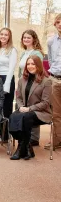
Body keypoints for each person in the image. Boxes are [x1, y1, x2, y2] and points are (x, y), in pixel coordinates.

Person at [9, 55, 51, 160]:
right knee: (13, 117)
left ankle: (20, 148)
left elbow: (45, 103)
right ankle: (27, 147)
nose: (30, 66)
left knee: (25, 118)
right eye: (28, 64)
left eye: (33, 64)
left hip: (40, 112)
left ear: (38, 65)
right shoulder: (22, 80)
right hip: (25, 110)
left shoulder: (46, 81)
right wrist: (21, 106)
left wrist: (29, 109)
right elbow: (18, 98)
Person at [18, 29, 44, 146]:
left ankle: (34, 138)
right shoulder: (24, 53)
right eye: (24, 38)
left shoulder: (37, 53)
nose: (26, 39)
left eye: (29, 37)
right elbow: (21, 70)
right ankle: (25, 134)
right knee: (23, 106)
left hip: (34, 83)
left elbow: (38, 69)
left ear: (34, 39)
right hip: (23, 82)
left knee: (33, 106)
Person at [0, 27, 17, 144]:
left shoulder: (12, 50)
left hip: (7, 79)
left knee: (6, 108)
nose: (3, 36)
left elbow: (12, 69)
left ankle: (6, 136)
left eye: (6, 35)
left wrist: (6, 85)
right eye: (1, 34)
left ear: (9, 37)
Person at [46, 13, 61, 150]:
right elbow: (50, 60)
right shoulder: (51, 41)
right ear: (55, 24)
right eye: (58, 22)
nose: (60, 24)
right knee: (55, 113)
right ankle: (56, 141)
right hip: (55, 79)